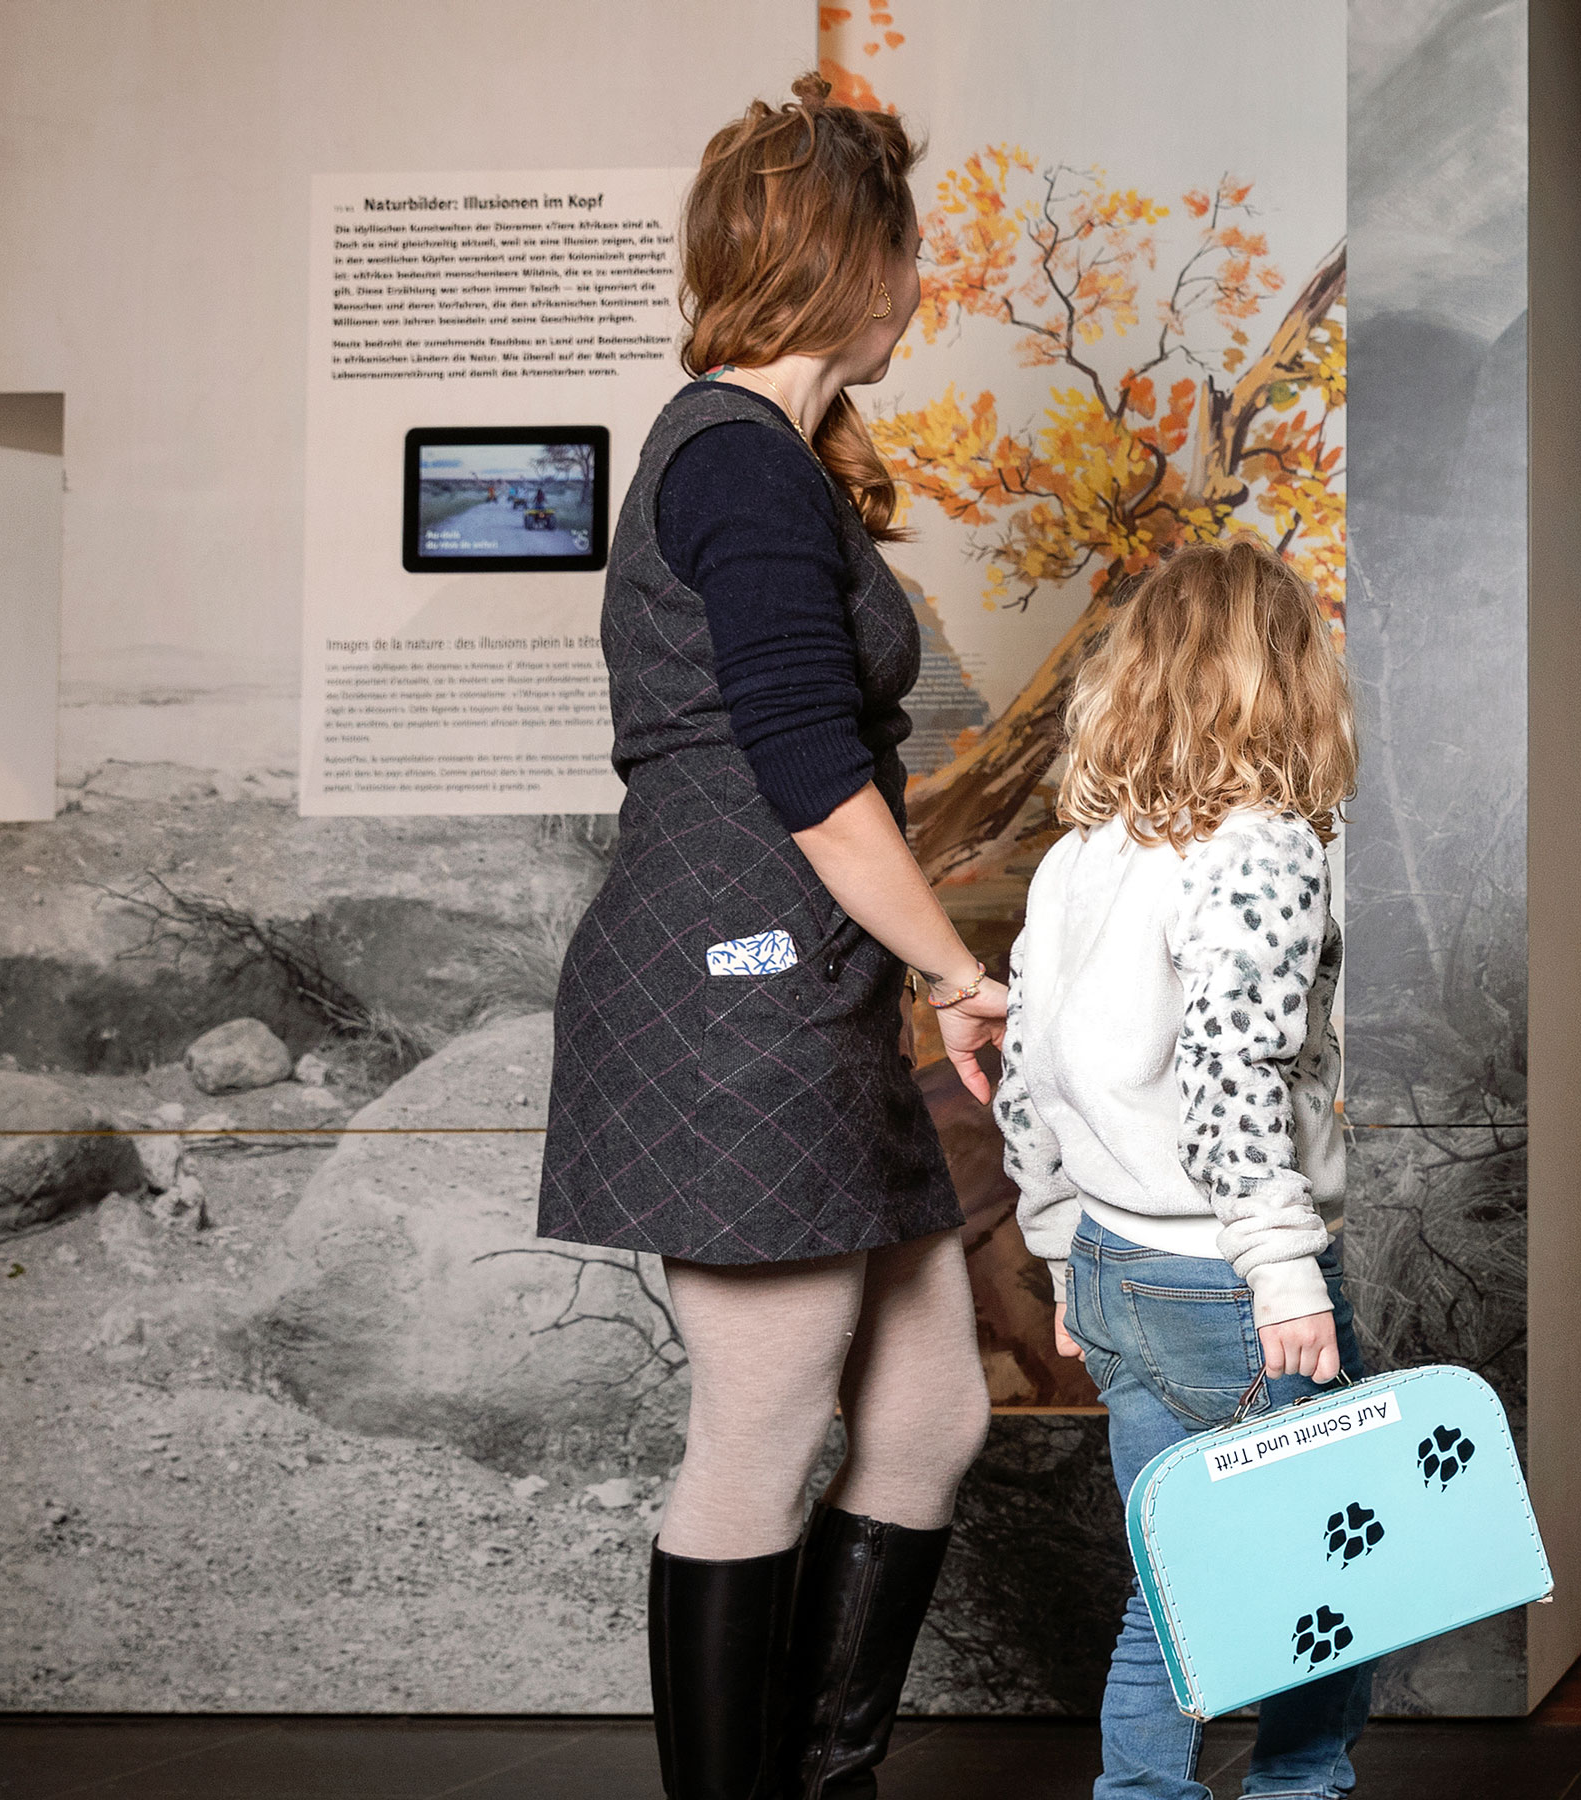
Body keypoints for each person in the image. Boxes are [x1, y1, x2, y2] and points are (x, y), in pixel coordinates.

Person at [536, 72, 1003, 1800]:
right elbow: (812, 777)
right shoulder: (733, 461)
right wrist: (959, 971)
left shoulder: (771, 461)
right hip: (733, 1009)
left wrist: (912, 981)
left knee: (933, 1412)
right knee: (757, 1430)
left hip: (799, 1004)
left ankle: (822, 1780)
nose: (920, 289)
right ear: (848, 262)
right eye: (908, 252)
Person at [993, 538, 1366, 1800]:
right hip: (1225, 1281)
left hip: (1112, 1267)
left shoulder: (1075, 860)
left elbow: (1023, 1076)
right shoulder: (1260, 845)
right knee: (1322, 1580)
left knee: (1174, 1590)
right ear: (1283, 676)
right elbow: (1227, 1076)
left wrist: (1054, 1253)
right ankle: (1294, 1795)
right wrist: (1283, 1272)